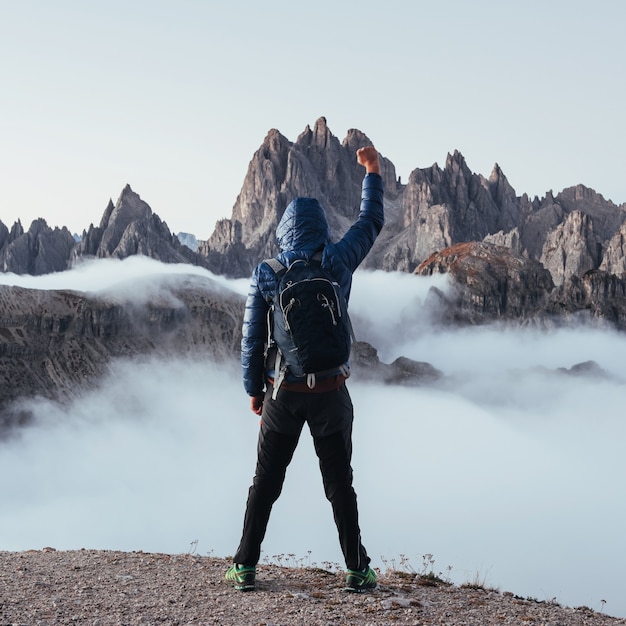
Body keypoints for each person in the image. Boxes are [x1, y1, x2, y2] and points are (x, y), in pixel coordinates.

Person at [226, 146, 384, 592]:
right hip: (331, 392)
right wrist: (371, 170)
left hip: (283, 393)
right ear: (322, 229)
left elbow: (252, 337)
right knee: (340, 485)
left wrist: (253, 389)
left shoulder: (267, 272)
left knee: (266, 482)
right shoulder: (337, 261)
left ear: (282, 232)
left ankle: (245, 566)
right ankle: (357, 569)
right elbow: (370, 222)